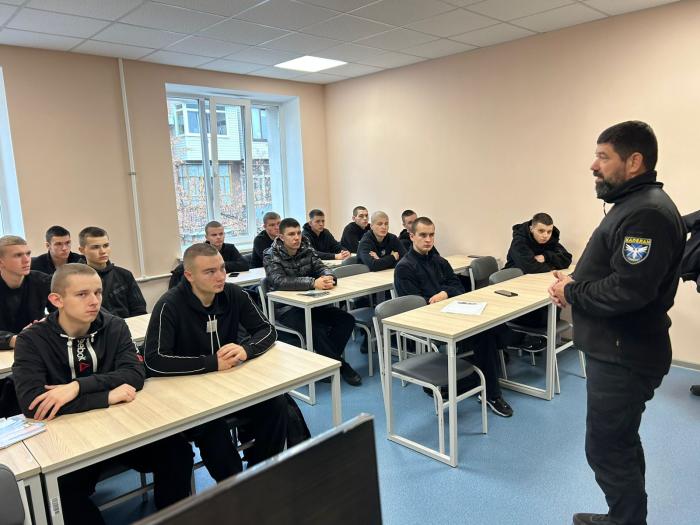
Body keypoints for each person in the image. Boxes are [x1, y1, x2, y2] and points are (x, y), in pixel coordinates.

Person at [549, 121, 685, 525]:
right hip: (620, 350)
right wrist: (576, 283)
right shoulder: (635, 204)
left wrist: (572, 292)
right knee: (620, 442)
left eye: (603, 157)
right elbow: (621, 277)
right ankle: (623, 518)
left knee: (607, 448)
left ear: (634, 161)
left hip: (624, 356)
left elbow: (628, 291)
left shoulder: (646, 213)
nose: (593, 165)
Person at [12, 263, 192, 524]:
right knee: (62, 492)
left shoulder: (114, 326)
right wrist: (105, 396)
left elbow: (134, 374)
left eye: (97, 292)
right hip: (68, 441)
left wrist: (77, 387)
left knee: (178, 453)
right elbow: (33, 404)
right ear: (57, 300)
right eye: (82, 294)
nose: (94, 301)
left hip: (121, 428)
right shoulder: (31, 340)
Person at [144, 243, 287, 481]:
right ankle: (234, 486)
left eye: (222, 268)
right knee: (213, 429)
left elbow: (268, 330)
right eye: (210, 272)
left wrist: (246, 349)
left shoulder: (233, 294)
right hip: (189, 391)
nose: (220, 276)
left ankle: (262, 473)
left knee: (276, 404)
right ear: (189, 275)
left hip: (229, 383)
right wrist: (211, 363)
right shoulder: (169, 305)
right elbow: (154, 361)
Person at [394, 217, 513, 417]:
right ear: (411, 236)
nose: (428, 240)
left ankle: (478, 375)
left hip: (453, 312)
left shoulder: (440, 261)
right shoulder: (404, 267)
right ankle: (492, 394)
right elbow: (414, 306)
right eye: (423, 235)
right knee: (485, 337)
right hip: (430, 322)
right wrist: (441, 297)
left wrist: (445, 294)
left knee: (495, 326)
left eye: (431, 235)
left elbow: (458, 287)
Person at [263, 218, 361, 386]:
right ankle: (341, 366)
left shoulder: (306, 248)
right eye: (291, 234)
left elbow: (321, 266)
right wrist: (312, 282)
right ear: (281, 237)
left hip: (311, 304)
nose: (296, 238)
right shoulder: (271, 255)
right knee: (317, 329)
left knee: (346, 320)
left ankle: (325, 365)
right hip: (286, 308)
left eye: (298, 233)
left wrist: (329, 276)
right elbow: (279, 281)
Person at [78, 226, 147, 318]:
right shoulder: (76, 280)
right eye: (95, 247)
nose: (103, 251)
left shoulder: (124, 275)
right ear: (82, 250)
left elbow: (139, 309)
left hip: (127, 324)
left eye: (106, 245)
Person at [0, 235, 50, 350]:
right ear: (1, 262)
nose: (27, 260)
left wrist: (49, 322)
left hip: (35, 345)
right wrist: (13, 339)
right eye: (18, 255)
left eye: (28, 254)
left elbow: (61, 312)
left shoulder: (42, 281)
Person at [505, 213, 572, 274]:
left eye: (549, 232)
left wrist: (546, 256)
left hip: (536, 278)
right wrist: (553, 266)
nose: (545, 235)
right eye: (541, 231)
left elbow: (567, 260)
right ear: (531, 229)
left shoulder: (551, 239)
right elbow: (530, 268)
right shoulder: (519, 241)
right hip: (512, 278)